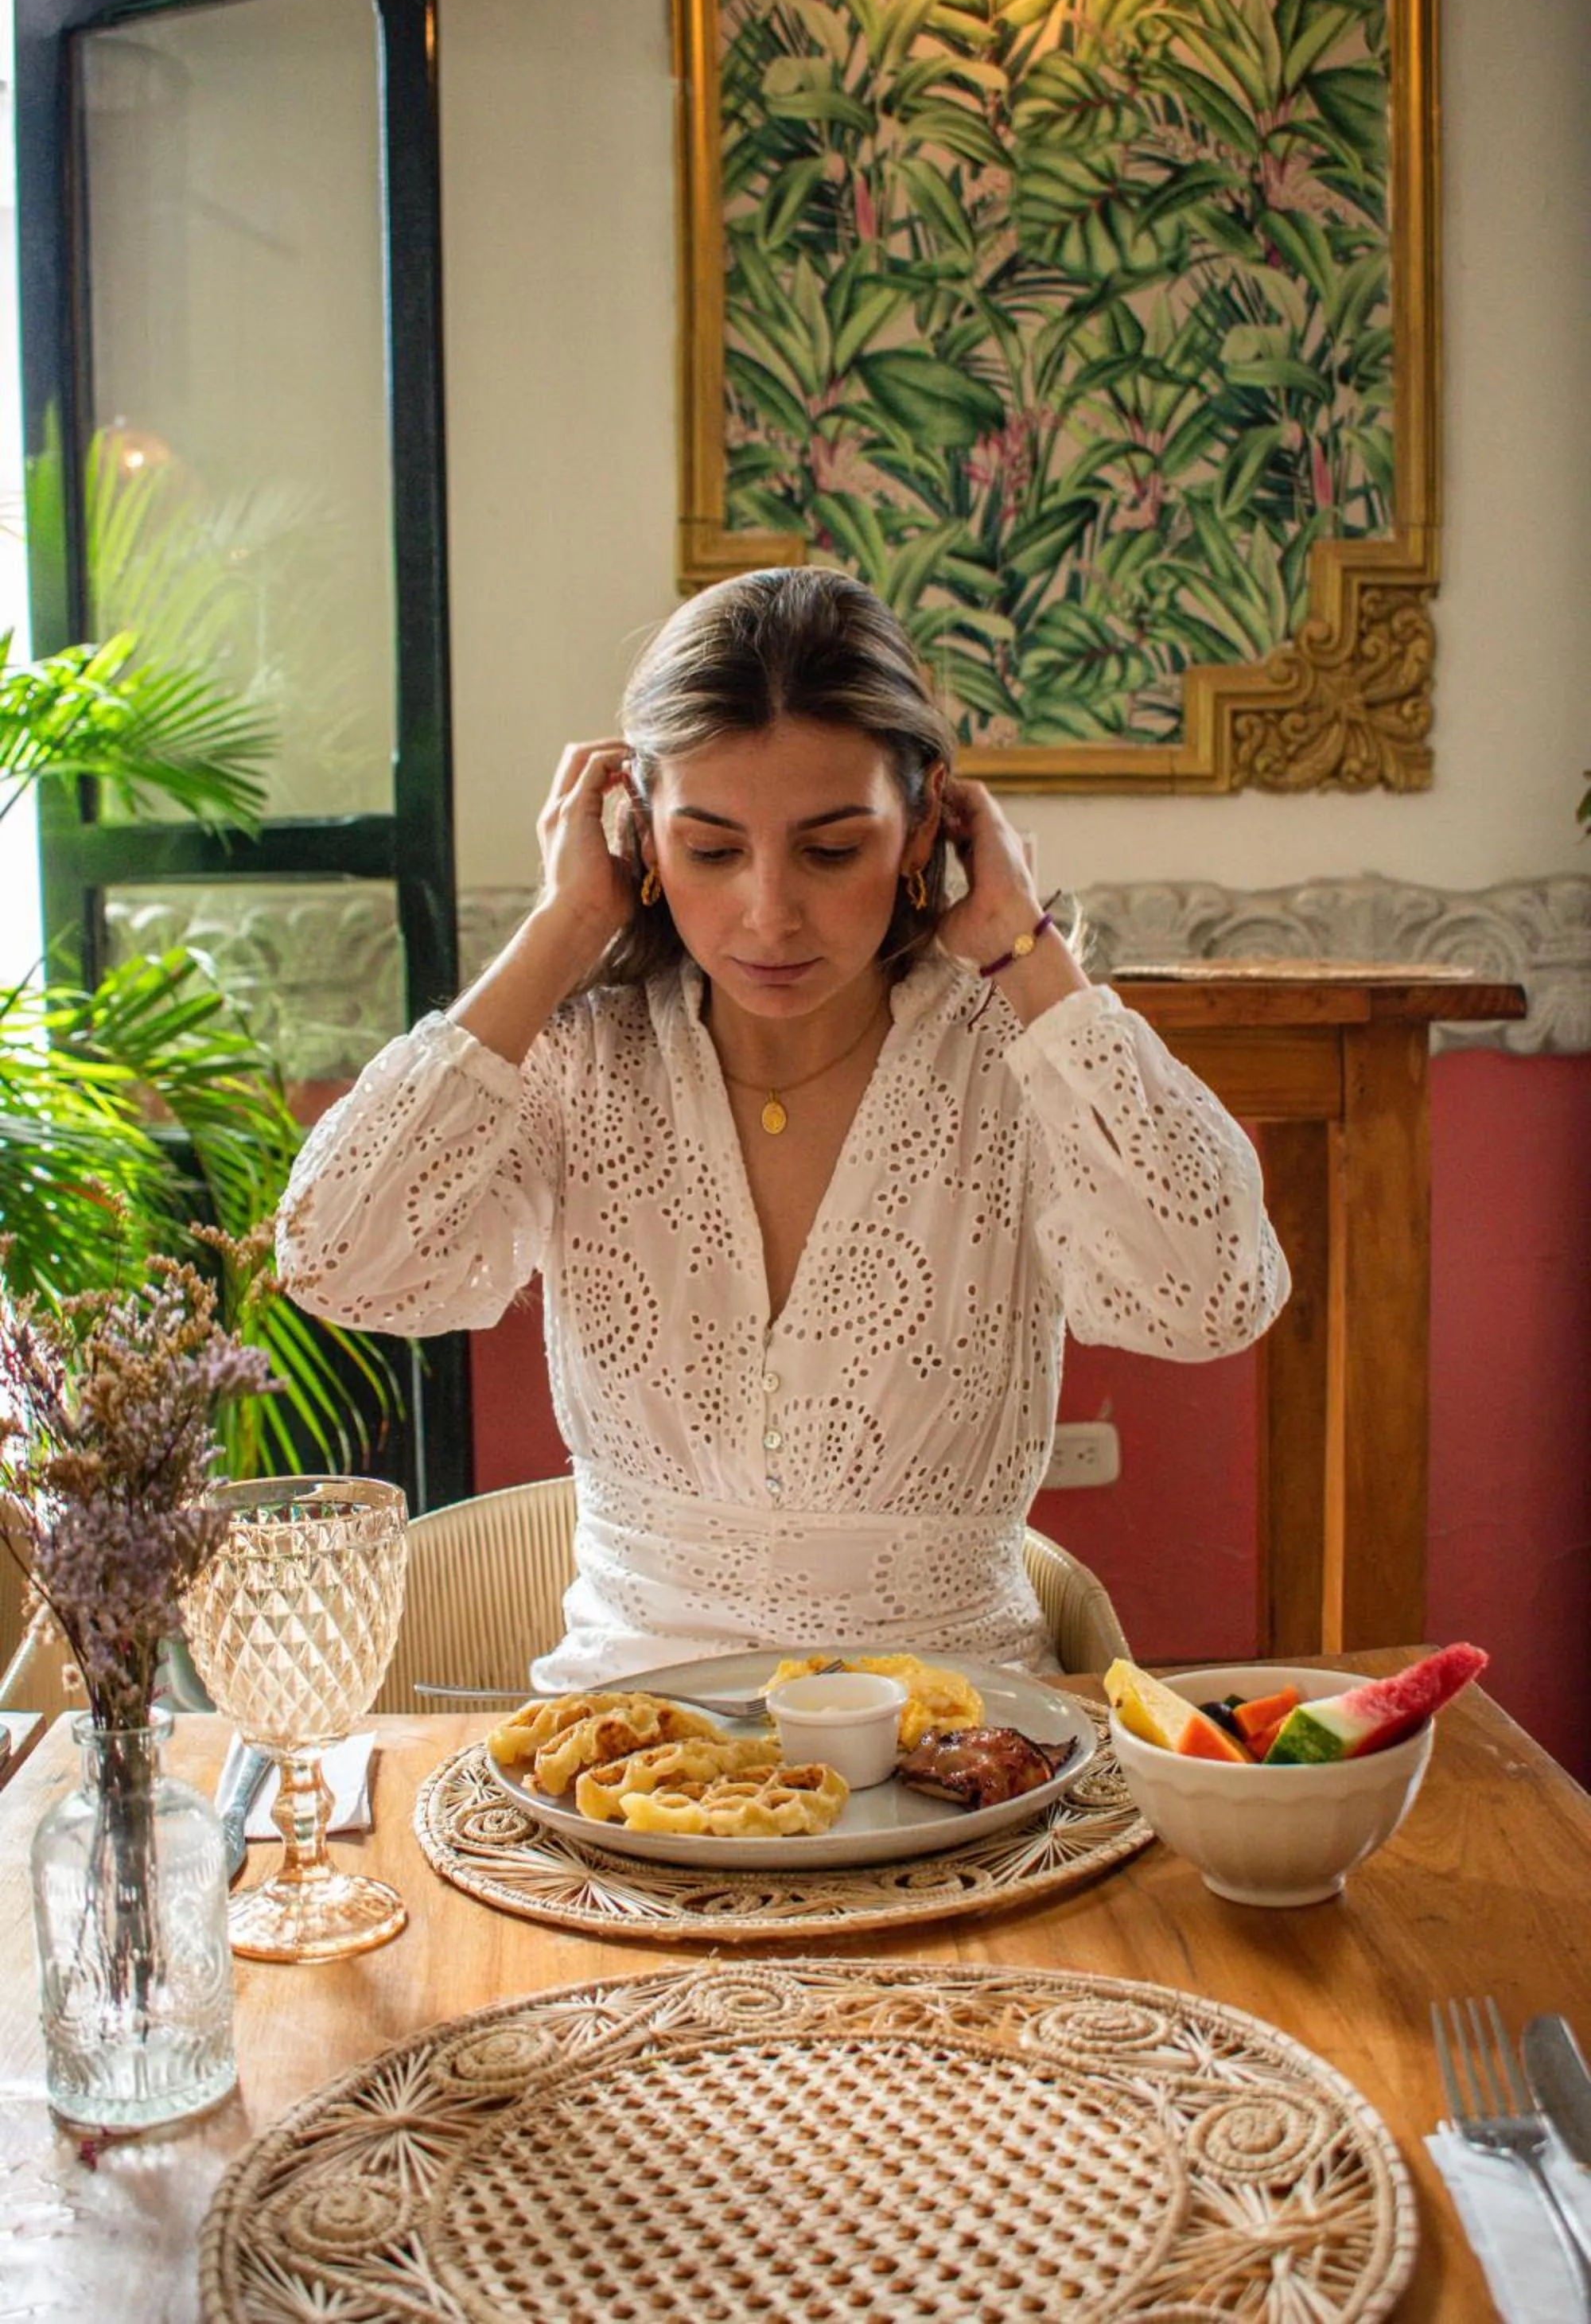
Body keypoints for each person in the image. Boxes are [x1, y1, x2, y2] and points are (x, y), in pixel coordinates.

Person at [278, 566, 1290, 1688]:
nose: (769, 913)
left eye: (831, 848)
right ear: (639, 838)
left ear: (921, 829)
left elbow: (1214, 1297)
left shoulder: (1013, 1060)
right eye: (712, 850)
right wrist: (564, 926)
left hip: (965, 1755)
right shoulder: (581, 1062)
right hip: (623, 1768)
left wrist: (1025, 947)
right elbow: (335, 1261)